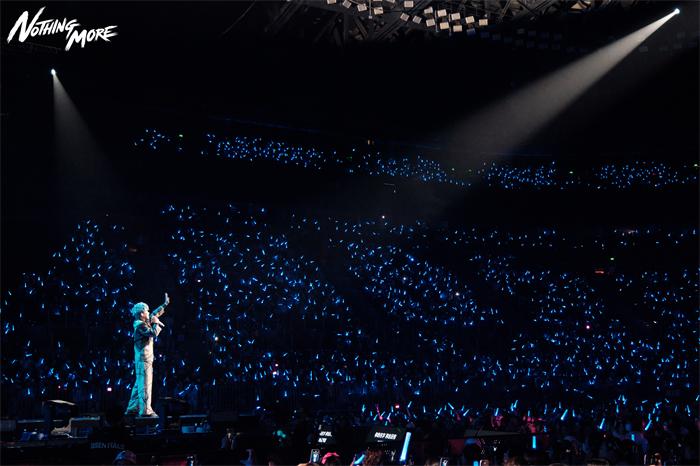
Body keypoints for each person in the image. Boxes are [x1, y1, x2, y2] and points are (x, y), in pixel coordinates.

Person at [125, 293, 170, 417]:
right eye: (146, 311)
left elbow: (153, 314)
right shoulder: (140, 325)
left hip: (144, 359)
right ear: (141, 314)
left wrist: (164, 305)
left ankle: (132, 407)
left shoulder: (142, 322)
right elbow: (153, 333)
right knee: (145, 384)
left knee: (139, 384)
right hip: (143, 359)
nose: (148, 313)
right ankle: (145, 411)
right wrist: (156, 323)